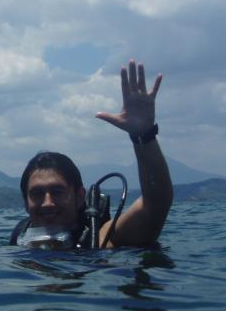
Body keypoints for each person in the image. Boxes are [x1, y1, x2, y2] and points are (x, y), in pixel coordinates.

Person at [11, 59, 173, 249]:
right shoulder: (17, 242)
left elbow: (156, 204)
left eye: (57, 192)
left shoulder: (100, 238)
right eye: (37, 194)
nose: (48, 203)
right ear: (25, 201)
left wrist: (144, 137)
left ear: (80, 196)